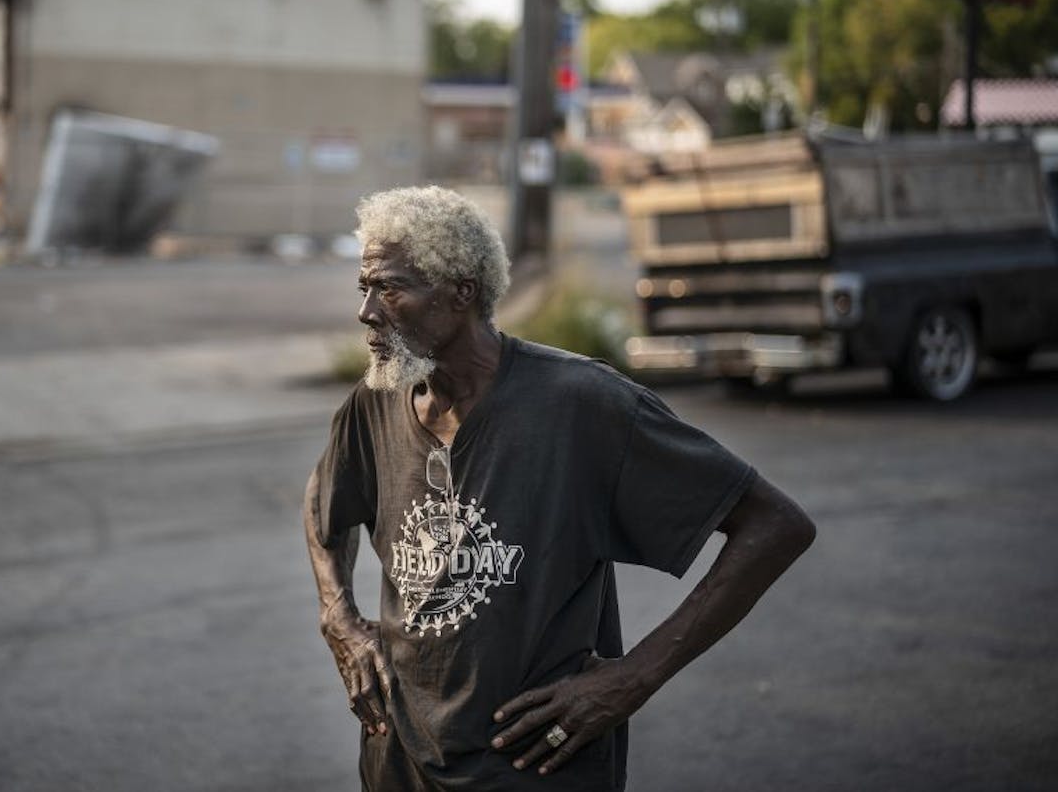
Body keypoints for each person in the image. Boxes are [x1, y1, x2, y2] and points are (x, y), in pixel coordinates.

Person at [303, 186, 816, 791]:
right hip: (398, 763)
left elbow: (775, 526)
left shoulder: (581, 404)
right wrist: (339, 616)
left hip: (535, 765)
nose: (366, 310)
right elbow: (323, 506)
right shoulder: (376, 403)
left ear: (462, 291)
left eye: (389, 288)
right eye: (364, 288)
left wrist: (633, 678)